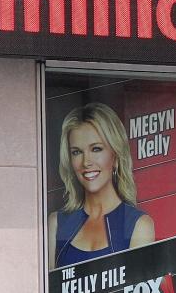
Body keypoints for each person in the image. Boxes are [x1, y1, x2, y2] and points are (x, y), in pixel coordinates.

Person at [48, 102, 154, 269]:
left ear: (116, 156)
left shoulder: (138, 225)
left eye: (96, 149)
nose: (86, 162)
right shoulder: (56, 224)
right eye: (77, 152)